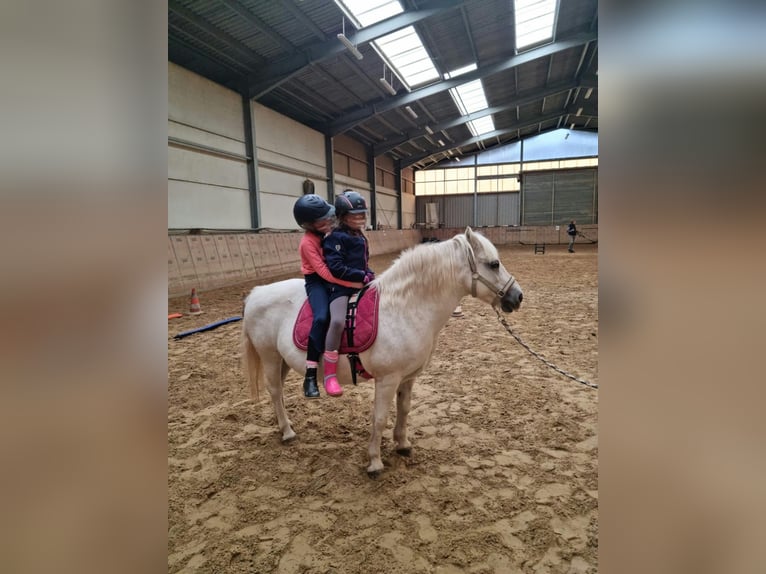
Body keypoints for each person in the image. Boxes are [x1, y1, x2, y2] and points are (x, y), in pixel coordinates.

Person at [293, 194, 363, 399]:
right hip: (317, 281)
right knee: (322, 317)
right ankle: (310, 373)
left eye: (328, 218)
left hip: (333, 277)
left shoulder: (329, 233)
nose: (328, 223)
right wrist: (352, 284)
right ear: (308, 225)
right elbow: (324, 272)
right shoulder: (307, 243)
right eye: (321, 221)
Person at [322, 190, 375, 397]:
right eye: (355, 215)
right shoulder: (335, 237)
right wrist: (362, 276)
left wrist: (369, 273)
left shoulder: (359, 236)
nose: (360, 218)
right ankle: (329, 374)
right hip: (341, 287)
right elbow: (336, 267)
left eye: (362, 215)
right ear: (343, 216)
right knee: (337, 321)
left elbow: (363, 263)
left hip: (360, 283)